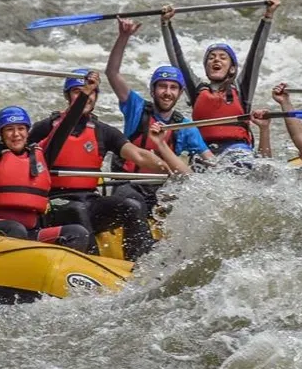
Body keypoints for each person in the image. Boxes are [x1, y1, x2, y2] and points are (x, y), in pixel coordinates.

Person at [27, 69, 190, 260]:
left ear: (95, 96)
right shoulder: (45, 128)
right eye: (77, 92)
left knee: (132, 206)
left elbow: (138, 155)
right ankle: (91, 262)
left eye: (89, 93)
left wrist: (166, 166)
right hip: (55, 203)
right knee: (77, 210)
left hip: (89, 200)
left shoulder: (103, 131)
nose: (85, 97)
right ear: (67, 96)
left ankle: (139, 262)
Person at [0, 58, 91, 252]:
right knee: (15, 229)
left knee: (78, 232)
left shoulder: (43, 153)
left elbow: (66, 123)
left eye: (21, 129)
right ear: (1, 134)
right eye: (9, 129)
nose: (16, 134)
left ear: (28, 132)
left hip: (30, 233)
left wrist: (85, 93)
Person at [160, 0, 281, 154]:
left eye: (223, 57)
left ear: (232, 68)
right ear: (206, 67)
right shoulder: (195, 89)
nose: (216, 60)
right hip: (204, 152)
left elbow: (256, 53)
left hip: (237, 151)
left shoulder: (241, 88)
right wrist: (165, 23)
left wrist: (268, 17)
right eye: (211, 58)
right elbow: (177, 58)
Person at [105, 16, 215, 172]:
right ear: (152, 90)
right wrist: (124, 37)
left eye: (173, 88)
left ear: (180, 93)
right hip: (128, 184)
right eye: (162, 87)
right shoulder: (136, 108)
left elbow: (211, 162)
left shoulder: (185, 127)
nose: (167, 92)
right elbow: (112, 73)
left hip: (161, 187)